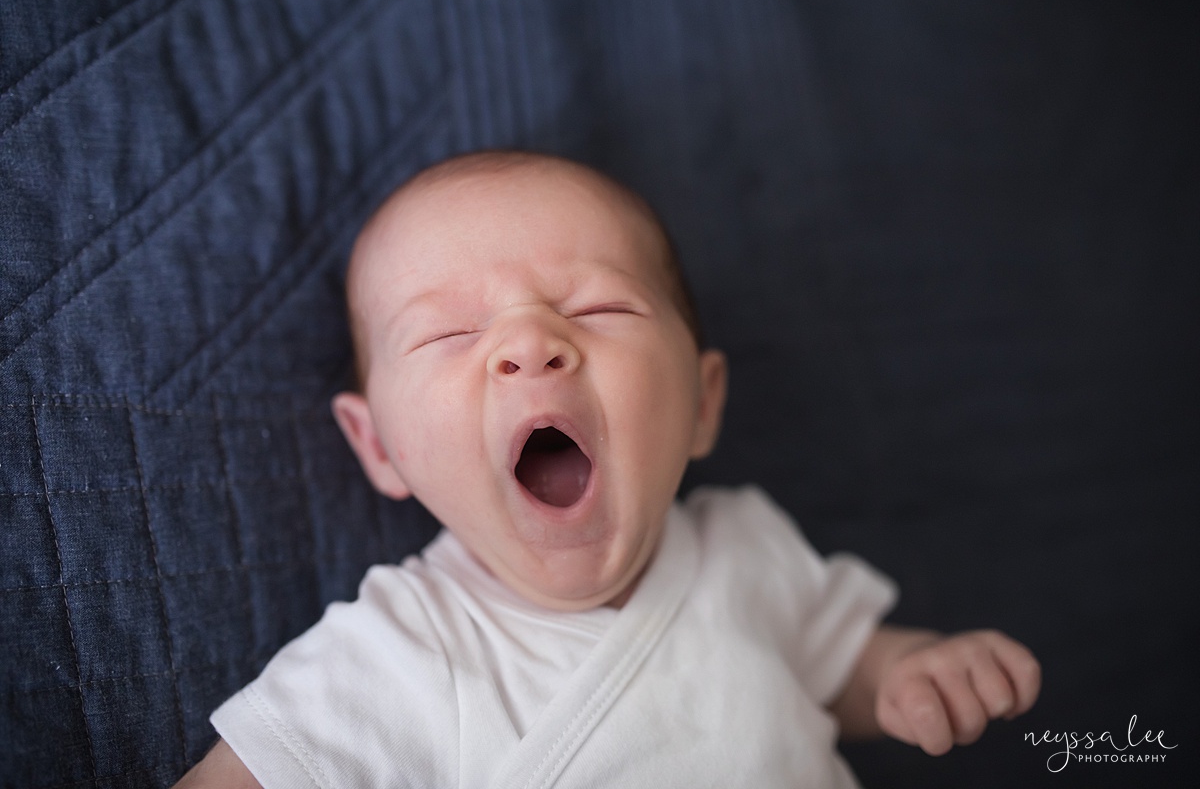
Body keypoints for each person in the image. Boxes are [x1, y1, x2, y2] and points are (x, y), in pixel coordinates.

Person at [176, 151, 1040, 788]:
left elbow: (846, 669)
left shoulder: (748, 550)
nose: (528, 343)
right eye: (448, 334)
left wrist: (913, 674)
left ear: (703, 403)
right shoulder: (397, 650)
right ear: (380, 446)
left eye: (598, 307)